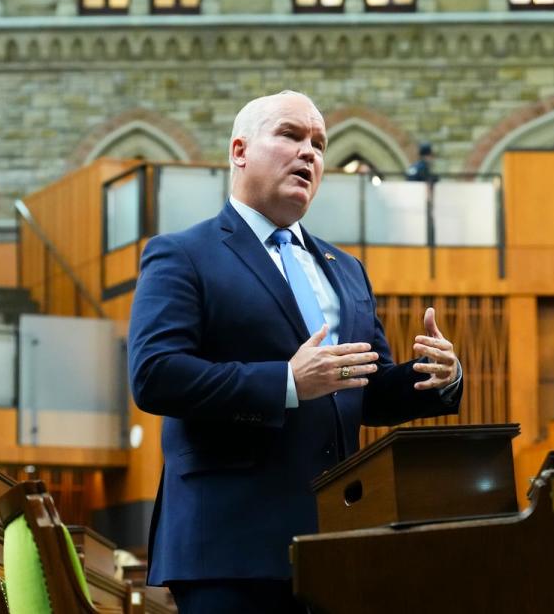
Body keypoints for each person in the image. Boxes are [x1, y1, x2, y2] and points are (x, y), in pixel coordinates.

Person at [128, 90, 463, 614]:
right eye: (290, 135)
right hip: (229, 546)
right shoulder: (183, 253)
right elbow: (154, 374)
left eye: (319, 143)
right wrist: (284, 383)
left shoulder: (344, 268)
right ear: (239, 151)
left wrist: (436, 376)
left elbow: (364, 390)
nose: (309, 152)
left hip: (337, 538)